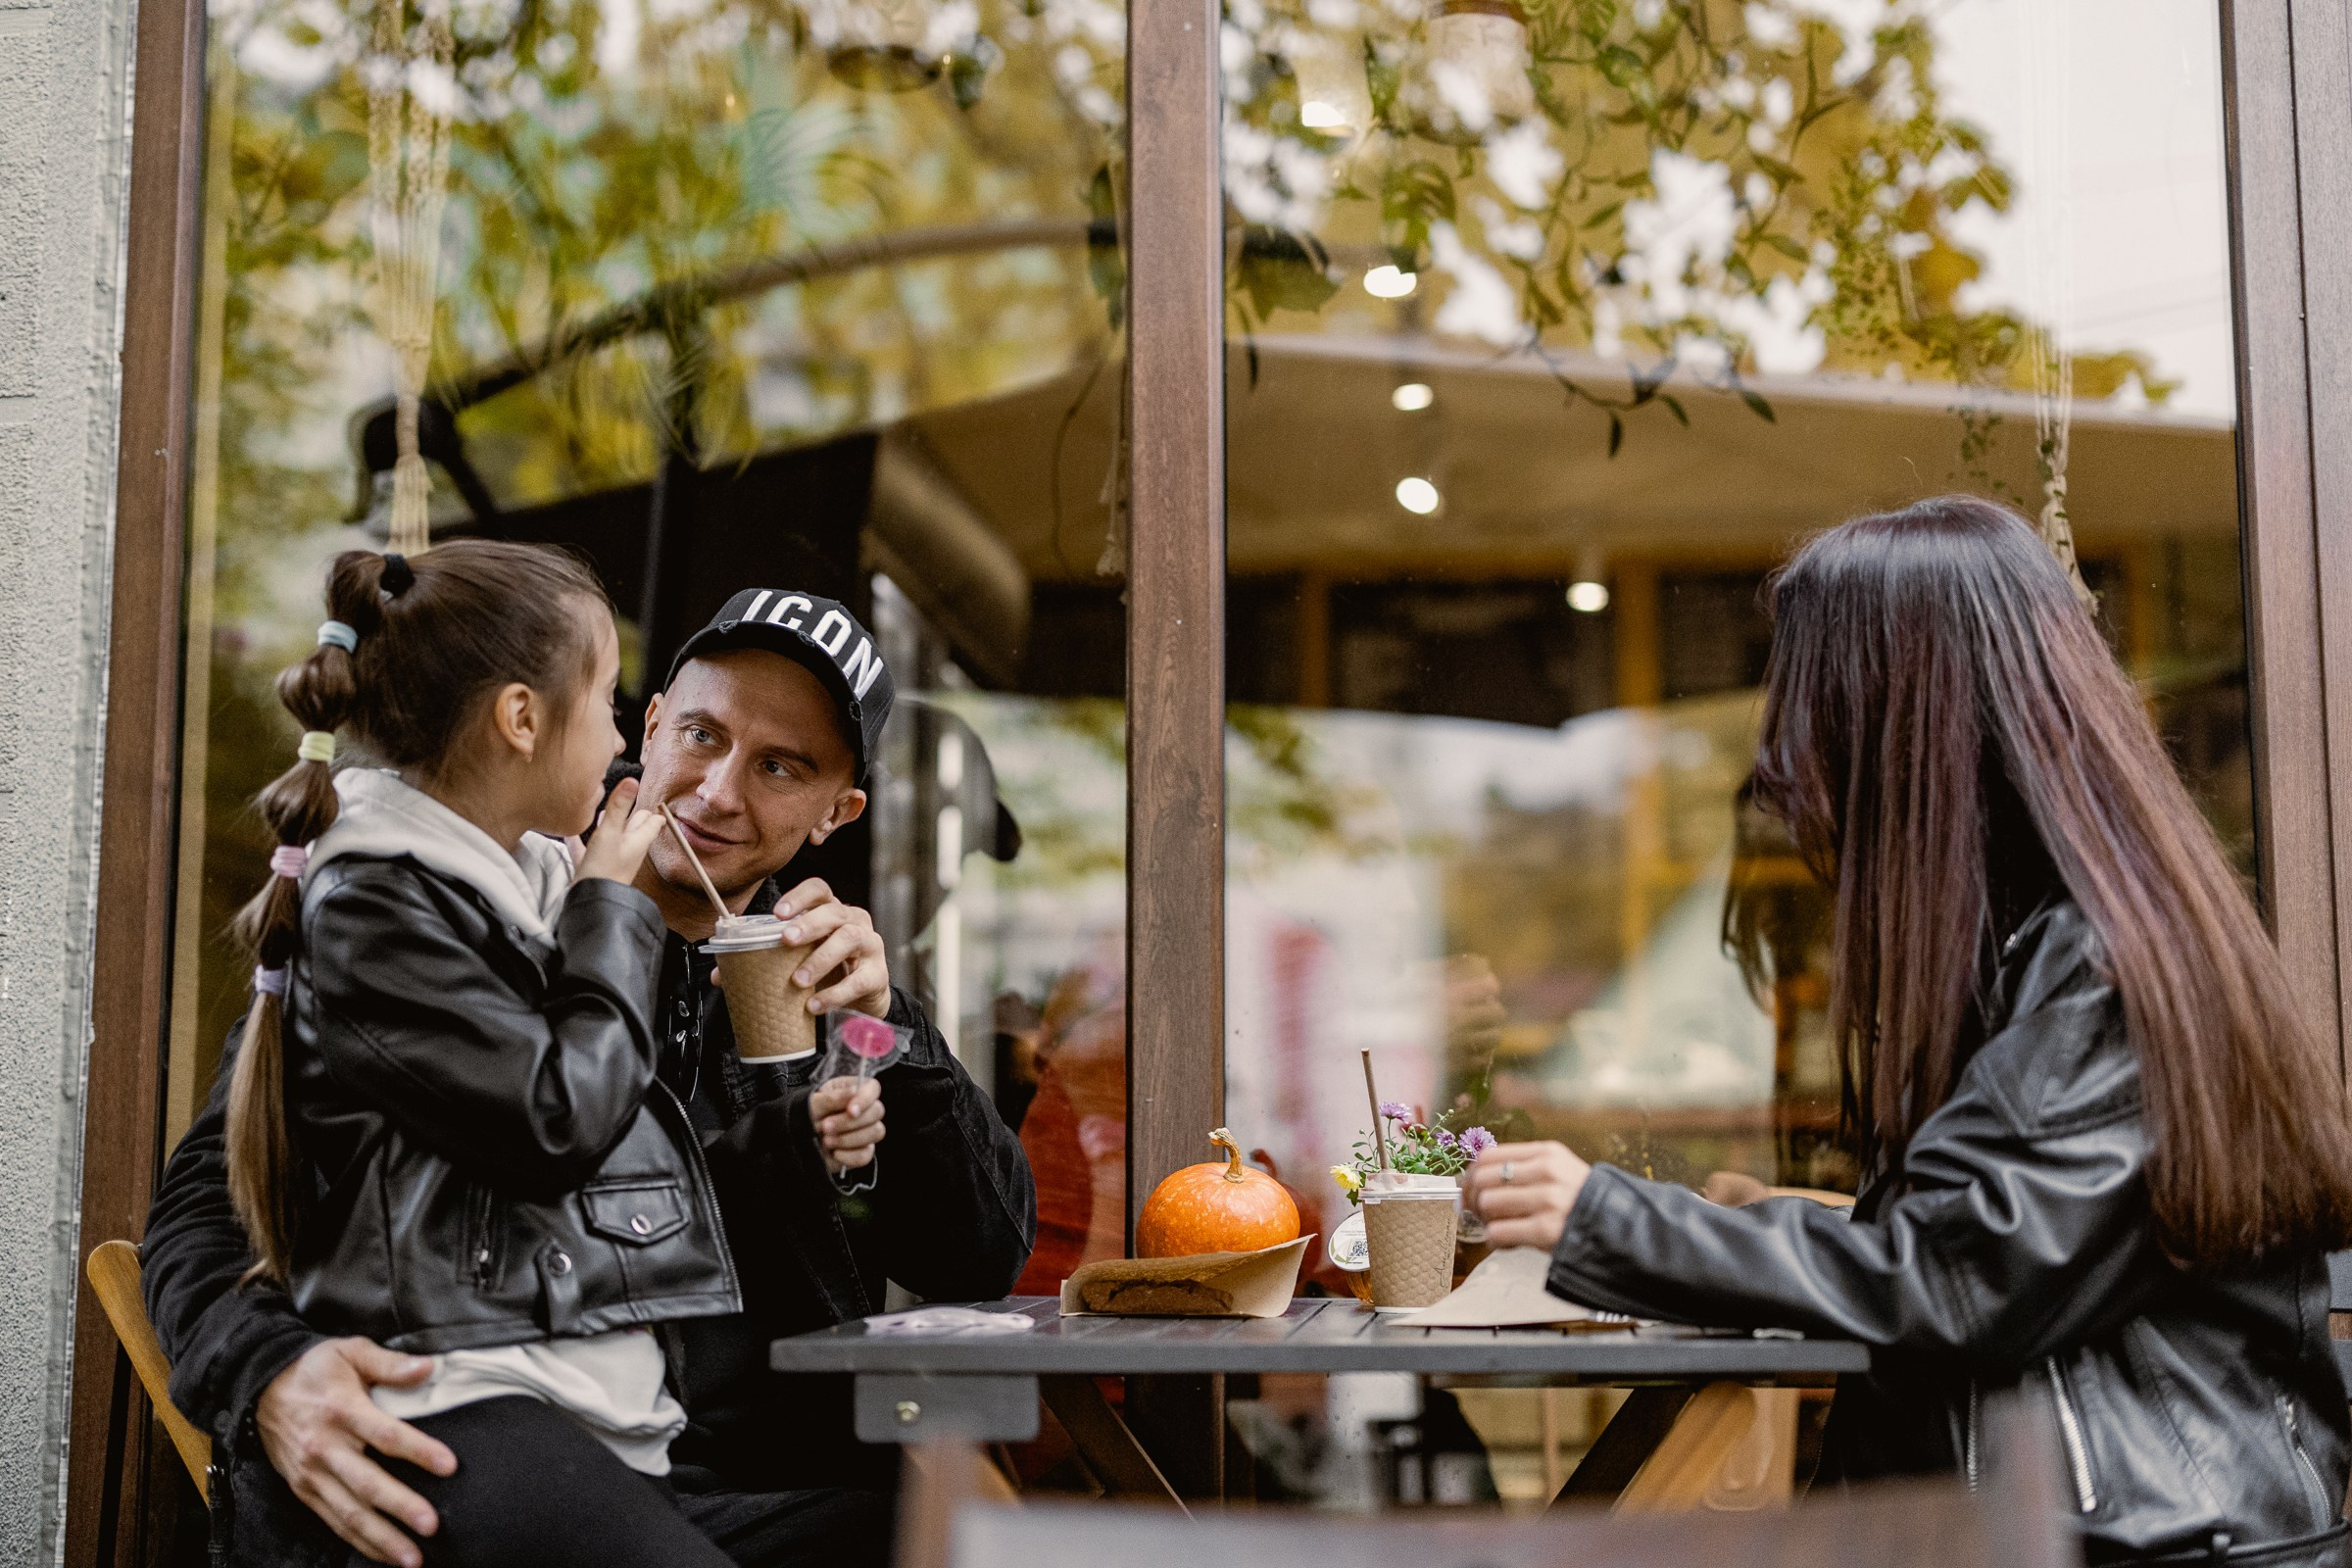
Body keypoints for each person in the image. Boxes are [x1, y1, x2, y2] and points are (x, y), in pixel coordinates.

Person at [1467, 496, 2352, 1566]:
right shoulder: (2056, 943)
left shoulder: (2102, 963)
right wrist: (1802, 1218)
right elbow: (2010, 1241)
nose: (1790, 760)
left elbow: (1955, 1279)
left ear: (1909, 725)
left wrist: (1611, 1219)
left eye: (1813, 707)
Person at [145, 582, 1037, 1566]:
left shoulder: (828, 982)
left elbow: (983, 1256)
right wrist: (267, 1370)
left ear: (839, 809)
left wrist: (890, 1031)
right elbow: (205, 1208)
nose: (718, 790)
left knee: (970, 1545)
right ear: (646, 727)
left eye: (780, 765)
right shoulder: (486, 914)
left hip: (750, 1480)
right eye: (700, 734)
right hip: (513, 1463)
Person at [181, 540, 756, 1565]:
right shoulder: (388, 911)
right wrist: (614, 914)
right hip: (456, 1399)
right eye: (617, 704)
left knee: (917, 1514)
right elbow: (559, 1117)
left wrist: (820, 1115)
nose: (626, 742)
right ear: (523, 719)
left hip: (593, 1411)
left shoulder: (525, 897)